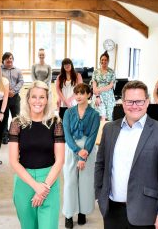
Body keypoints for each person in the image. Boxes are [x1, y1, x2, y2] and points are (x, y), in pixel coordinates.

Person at [94, 80, 158, 229]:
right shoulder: (109, 129)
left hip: (145, 212)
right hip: (112, 211)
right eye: (129, 101)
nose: (134, 106)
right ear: (123, 103)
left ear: (147, 102)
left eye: (139, 101)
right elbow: (100, 164)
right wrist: (99, 196)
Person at [8, 81, 65, 229]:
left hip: (49, 181)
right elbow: (14, 161)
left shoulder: (56, 123)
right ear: (28, 99)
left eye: (42, 97)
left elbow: (59, 160)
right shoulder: (17, 123)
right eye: (34, 97)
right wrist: (35, 186)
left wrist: (44, 187)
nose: (37, 101)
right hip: (24, 181)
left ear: (47, 100)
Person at [62, 83, 100, 228]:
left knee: (85, 183)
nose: (78, 96)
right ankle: (69, 214)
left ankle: (82, 212)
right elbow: (67, 134)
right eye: (76, 93)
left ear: (88, 95)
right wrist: (78, 152)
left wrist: (84, 156)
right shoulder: (68, 112)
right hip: (72, 149)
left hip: (88, 150)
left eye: (82, 93)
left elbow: (92, 136)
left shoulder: (95, 114)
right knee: (70, 182)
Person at [1, 52, 24, 144]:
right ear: (3, 61)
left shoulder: (18, 70)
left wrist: (13, 91)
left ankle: (15, 135)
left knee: (16, 117)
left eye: (11, 58)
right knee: (5, 118)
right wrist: (6, 91)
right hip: (3, 98)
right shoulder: (0, 70)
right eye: (7, 58)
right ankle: (5, 137)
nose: (9, 60)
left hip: (15, 97)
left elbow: (21, 81)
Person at [91, 51, 116, 121]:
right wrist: (97, 96)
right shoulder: (95, 72)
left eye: (105, 60)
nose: (103, 61)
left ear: (108, 61)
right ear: (100, 61)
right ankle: (99, 131)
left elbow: (111, 85)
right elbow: (94, 87)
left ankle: (108, 132)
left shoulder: (111, 72)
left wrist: (99, 89)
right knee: (99, 117)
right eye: (102, 60)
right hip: (98, 96)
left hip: (108, 97)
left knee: (108, 117)